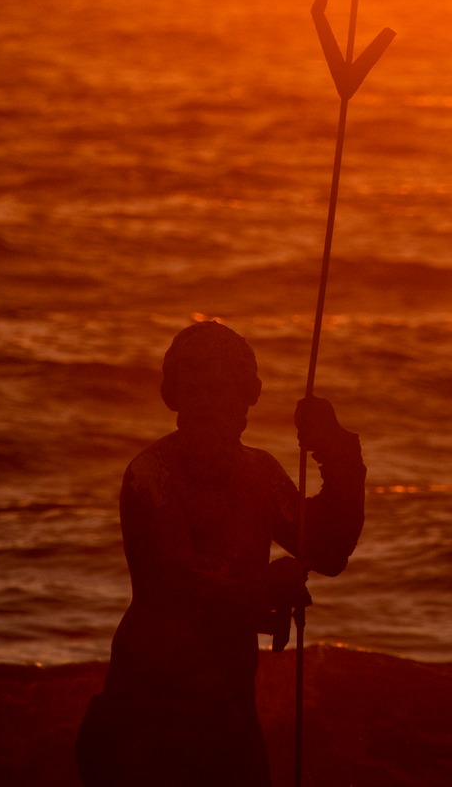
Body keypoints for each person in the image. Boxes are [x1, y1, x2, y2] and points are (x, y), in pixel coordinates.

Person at [76, 320, 365, 787]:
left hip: (229, 708)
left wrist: (335, 449)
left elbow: (327, 550)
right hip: (150, 706)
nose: (204, 403)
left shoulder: (260, 474)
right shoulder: (150, 476)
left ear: (245, 396)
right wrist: (266, 585)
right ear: (173, 397)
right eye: (192, 390)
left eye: (216, 389)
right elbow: (179, 586)